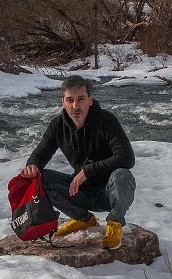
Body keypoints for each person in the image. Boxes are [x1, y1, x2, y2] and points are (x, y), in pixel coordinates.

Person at [20, 75, 136, 249]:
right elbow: (41, 152)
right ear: (63, 102)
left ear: (90, 100)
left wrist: (88, 171)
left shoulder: (106, 120)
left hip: (109, 193)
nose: (75, 106)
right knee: (39, 178)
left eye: (81, 99)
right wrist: (32, 165)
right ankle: (84, 219)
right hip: (80, 192)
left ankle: (115, 223)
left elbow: (127, 157)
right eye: (70, 100)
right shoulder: (57, 125)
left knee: (123, 174)